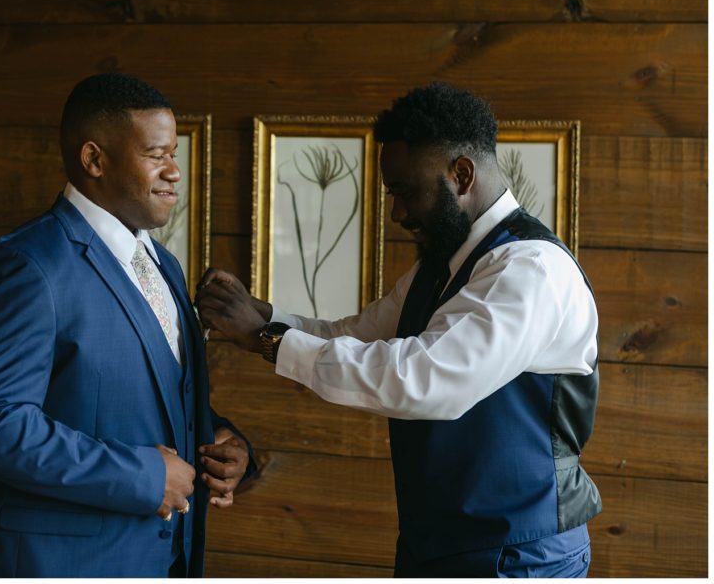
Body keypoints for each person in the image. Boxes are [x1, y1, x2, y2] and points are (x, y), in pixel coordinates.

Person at [197, 83, 601, 578]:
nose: (398, 214)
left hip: (518, 551)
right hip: (437, 544)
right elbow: (357, 335)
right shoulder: (442, 267)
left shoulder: (530, 270)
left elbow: (422, 380)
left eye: (406, 192)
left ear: (462, 174)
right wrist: (262, 316)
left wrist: (268, 339)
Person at [0, 73, 254, 577]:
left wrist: (225, 442)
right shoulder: (26, 265)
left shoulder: (163, 264)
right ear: (94, 160)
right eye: (157, 155)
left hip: (160, 560)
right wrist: (143, 475)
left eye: (173, 153)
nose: (175, 171)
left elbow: (152, 393)